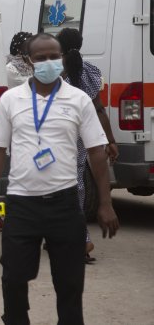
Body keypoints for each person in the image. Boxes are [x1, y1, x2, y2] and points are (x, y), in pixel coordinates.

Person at [0, 33, 119, 325]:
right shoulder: (11, 100)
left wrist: (105, 203)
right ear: (29, 62)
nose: (48, 62)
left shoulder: (79, 99)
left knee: (70, 284)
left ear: (63, 59)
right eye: (41, 57)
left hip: (65, 206)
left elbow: (96, 152)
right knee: (14, 277)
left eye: (53, 56)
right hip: (21, 205)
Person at [57, 27, 119, 263]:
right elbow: (99, 109)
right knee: (73, 187)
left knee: (69, 190)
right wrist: (110, 140)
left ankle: (81, 242)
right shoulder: (89, 72)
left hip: (61, 138)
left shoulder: (57, 74)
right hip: (83, 138)